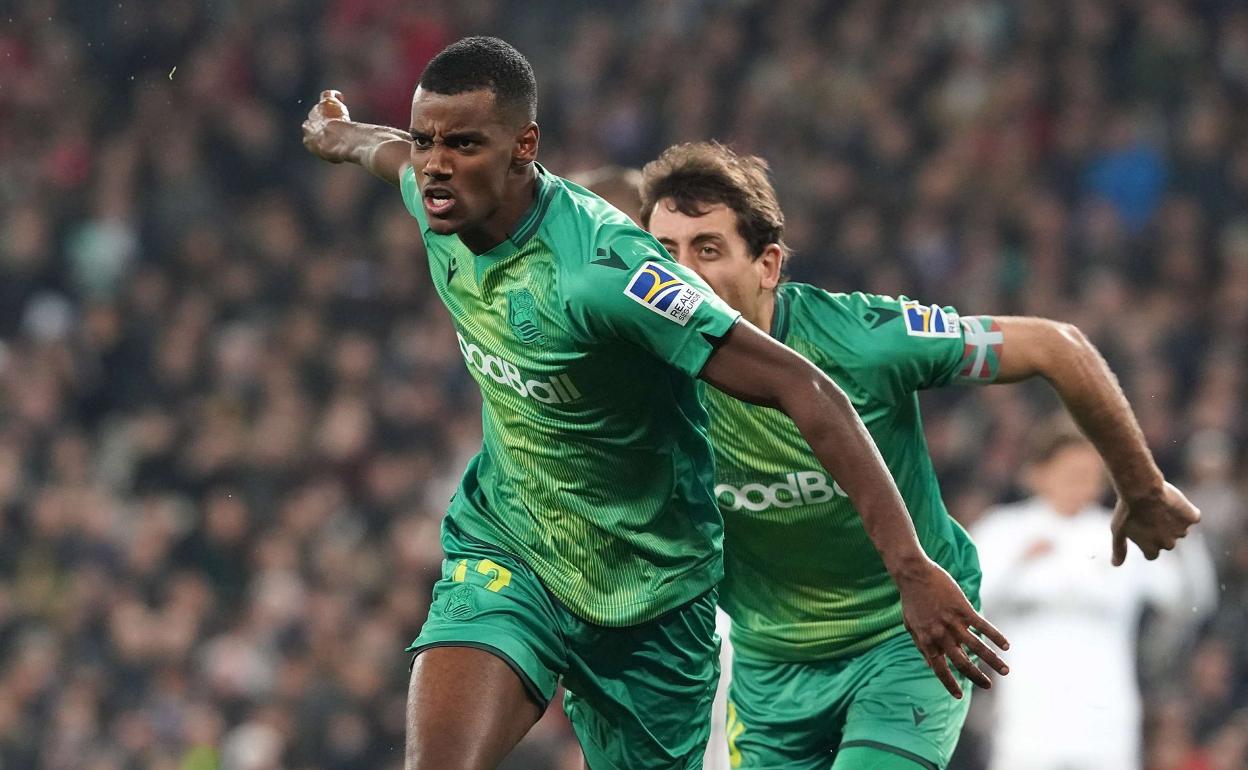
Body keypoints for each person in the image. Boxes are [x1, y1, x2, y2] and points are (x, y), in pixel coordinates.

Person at [301, 38, 1003, 770]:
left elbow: (806, 386)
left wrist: (910, 567)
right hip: (514, 552)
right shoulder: (435, 195)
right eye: (427, 141)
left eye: (465, 144)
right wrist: (338, 135)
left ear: (523, 147)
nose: (437, 163)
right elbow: (385, 153)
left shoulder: (609, 273)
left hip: (653, 599)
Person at [638, 141, 1201, 770]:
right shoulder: (637, 375)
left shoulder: (863, 340)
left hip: (909, 636)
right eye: (664, 253)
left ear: (767, 265)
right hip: (770, 668)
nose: (680, 274)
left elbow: (1057, 347)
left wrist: (1141, 486)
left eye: (707, 250)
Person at [972, 423, 1216, 770]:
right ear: (1038, 473)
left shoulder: (1123, 536)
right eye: (1070, 471)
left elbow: (1190, 602)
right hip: (1027, 720)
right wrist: (1017, 563)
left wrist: (1185, 536)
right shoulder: (1002, 530)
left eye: (1091, 474)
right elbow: (966, 604)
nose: (1081, 482)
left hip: (1106, 722)